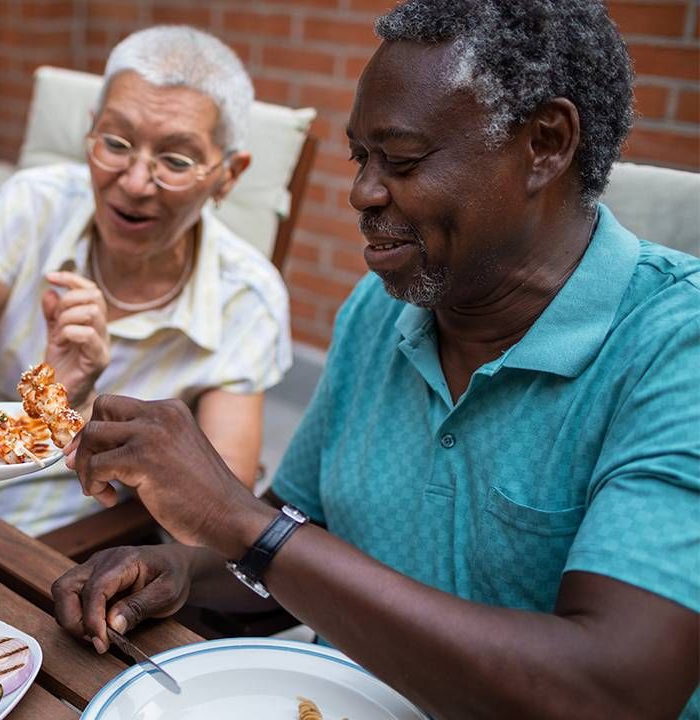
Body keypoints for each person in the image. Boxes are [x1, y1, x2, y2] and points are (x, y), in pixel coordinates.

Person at [52, 1, 700, 717]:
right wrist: (181, 567)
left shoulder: (674, 346)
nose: (362, 192)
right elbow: (309, 536)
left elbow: (617, 690)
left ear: (545, 143)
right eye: (362, 157)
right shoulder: (382, 308)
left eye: (404, 159)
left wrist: (241, 523)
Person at [0, 26, 292, 537]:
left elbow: (220, 508)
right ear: (90, 131)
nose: (136, 182)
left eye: (176, 160)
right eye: (116, 143)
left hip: (55, 540)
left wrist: (83, 419)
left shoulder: (248, 298)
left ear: (229, 175)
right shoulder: (34, 203)